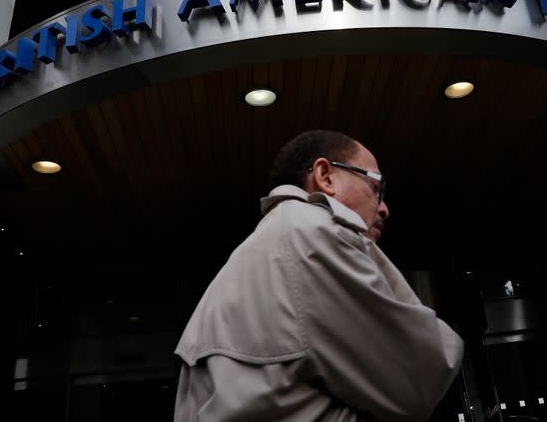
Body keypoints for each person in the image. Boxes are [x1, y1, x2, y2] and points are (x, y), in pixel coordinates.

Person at [174, 130, 464, 421]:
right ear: (325, 176)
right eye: (377, 187)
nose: (384, 208)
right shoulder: (318, 233)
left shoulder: (242, 261)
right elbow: (423, 374)